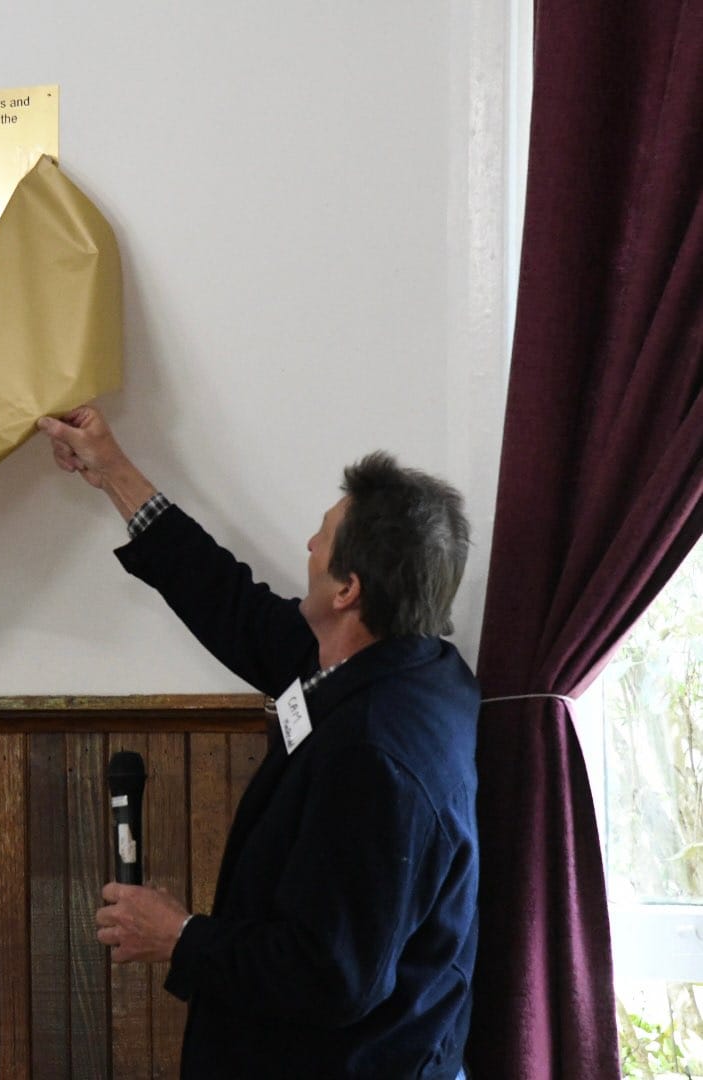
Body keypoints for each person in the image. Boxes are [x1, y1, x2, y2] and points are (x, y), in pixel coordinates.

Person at [38, 404, 478, 1080]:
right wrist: (113, 473)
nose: (307, 545)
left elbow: (333, 975)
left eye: (322, 538)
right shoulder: (402, 667)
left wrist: (179, 937)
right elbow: (228, 603)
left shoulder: (373, 753)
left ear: (347, 590)